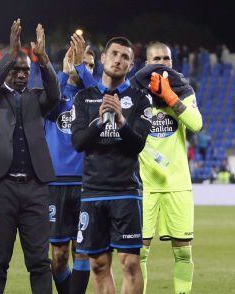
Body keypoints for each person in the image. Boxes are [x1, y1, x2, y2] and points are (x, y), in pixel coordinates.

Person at [71, 36, 152, 294]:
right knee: (98, 264)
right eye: (114, 54)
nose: (119, 59)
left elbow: (138, 144)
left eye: (125, 57)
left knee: (129, 263)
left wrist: (120, 122)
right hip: (93, 190)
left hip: (126, 191)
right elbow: (78, 142)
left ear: (131, 65)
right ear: (103, 58)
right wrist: (98, 123)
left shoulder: (141, 99)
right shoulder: (84, 98)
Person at [0, 19, 59, 294]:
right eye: (15, 70)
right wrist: (12, 52)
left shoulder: (38, 98)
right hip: (1, 186)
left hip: (35, 187)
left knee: (40, 261)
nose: (20, 75)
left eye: (25, 70)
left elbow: (55, 92)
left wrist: (43, 60)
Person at [133, 42, 203, 294]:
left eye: (166, 58)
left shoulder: (184, 91)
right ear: (146, 64)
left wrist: (171, 96)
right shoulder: (137, 95)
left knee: (183, 252)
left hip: (178, 185)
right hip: (144, 186)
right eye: (156, 59)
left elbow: (196, 124)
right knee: (138, 253)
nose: (162, 63)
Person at [44, 33, 97, 293]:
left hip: (86, 183)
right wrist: (65, 71)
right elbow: (48, 105)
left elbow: (98, 91)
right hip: (55, 185)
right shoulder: (55, 96)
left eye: (88, 65)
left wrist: (79, 68)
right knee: (60, 255)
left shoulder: (93, 98)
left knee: (83, 252)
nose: (82, 67)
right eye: (78, 61)